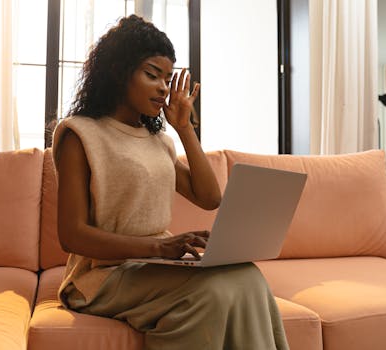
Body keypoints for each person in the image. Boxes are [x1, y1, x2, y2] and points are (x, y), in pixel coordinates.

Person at [52, 14, 290, 350]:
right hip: (101, 275)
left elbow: (210, 197)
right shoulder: (80, 134)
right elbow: (71, 235)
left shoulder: (159, 140)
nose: (164, 88)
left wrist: (184, 128)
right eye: (152, 75)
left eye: (167, 78)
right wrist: (159, 248)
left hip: (155, 263)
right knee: (210, 292)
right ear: (119, 72)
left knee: (247, 275)